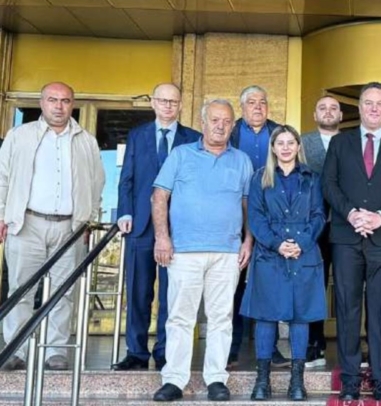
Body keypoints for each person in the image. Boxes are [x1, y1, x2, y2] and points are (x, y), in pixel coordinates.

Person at [151, 100, 253, 402]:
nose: (220, 126)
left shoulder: (242, 160)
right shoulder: (181, 155)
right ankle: (174, 380)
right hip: (184, 251)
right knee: (180, 317)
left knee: (221, 318)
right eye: (215, 120)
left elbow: (248, 206)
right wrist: (162, 238)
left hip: (227, 252)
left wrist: (248, 241)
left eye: (227, 121)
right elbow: (159, 197)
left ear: (233, 126)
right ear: (203, 122)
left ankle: (216, 379)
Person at [0, 82, 104, 371]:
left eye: (65, 101)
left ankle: (55, 351)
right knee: (21, 289)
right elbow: (2, 177)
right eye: (52, 100)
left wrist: (88, 218)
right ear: (41, 103)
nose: (59, 106)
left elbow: (97, 182)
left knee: (63, 291)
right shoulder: (19, 136)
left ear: (72, 105)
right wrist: (2, 215)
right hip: (27, 223)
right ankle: (15, 349)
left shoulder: (86, 141)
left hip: (69, 228)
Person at [322, 82, 381, 401]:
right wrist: (351, 214)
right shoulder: (340, 143)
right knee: (347, 309)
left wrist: (380, 217)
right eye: (368, 103)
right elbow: (329, 184)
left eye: (380, 104)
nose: (374, 108)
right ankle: (350, 379)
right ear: (359, 108)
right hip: (346, 237)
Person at [113, 83, 201, 372]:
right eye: (162, 100)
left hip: (178, 228)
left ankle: (165, 352)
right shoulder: (137, 135)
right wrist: (125, 211)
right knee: (138, 293)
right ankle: (136, 353)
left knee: (171, 295)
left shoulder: (193, 138)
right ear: (153, 103)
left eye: (173, 101)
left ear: (180, 105)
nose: (168, 106)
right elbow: (127, 178)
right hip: (140, 226)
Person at [241, 125, 327, 401]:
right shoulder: (260, 178)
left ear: (298, 146)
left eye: (291, 142)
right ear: (273, 148)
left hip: (304, 254)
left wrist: (301, 242)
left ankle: (297, 383)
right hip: (270, 255)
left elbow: (319, 215)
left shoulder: (312, 178)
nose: (286, 148)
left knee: (300, 317)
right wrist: (277, 243)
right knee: (266, 317)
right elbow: (255, 218)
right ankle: (262, 381)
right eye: (281, 143)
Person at [228, 85, 285, 368]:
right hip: (234, 217)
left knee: (270, 285)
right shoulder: (230, 132)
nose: (258, 107)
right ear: (242, 107)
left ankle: (270, 349)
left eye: (262, 102)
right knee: (232, 285)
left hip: (272, 219)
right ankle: (231, 349)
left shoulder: (279, 133)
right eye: (252, 102)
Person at [300, 95, 343, 368]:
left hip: (345, 225)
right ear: (315, 115)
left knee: (347, 286)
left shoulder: (352, 142)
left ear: (341, 115)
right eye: (322, 108)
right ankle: (313, 343)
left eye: (333, 108)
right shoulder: (302, 143)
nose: (328, 112)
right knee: (313, 284)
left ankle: (350, 344)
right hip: (313, 226)